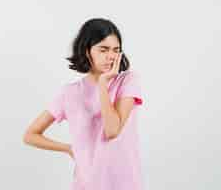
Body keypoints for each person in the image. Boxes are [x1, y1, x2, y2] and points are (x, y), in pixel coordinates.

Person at [23, 17, 144, 190]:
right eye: (103, 49)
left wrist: (103, 84)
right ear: (87, 51)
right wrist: (68, 148)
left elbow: (112, 130)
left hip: (125, 184)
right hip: (86, 184)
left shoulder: (128, 81)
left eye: (116, 50)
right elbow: (30, 135)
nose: (111, 56)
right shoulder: (69, 93)